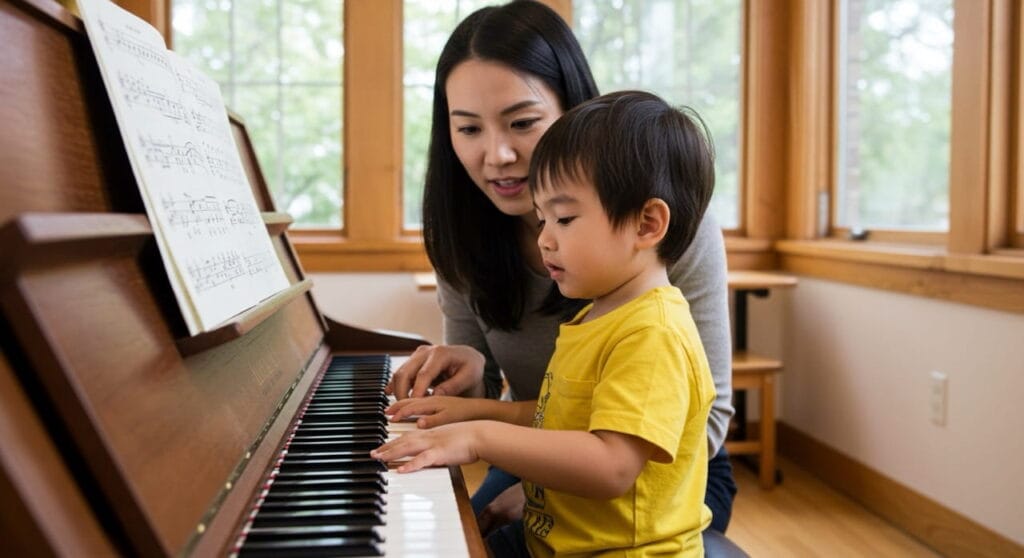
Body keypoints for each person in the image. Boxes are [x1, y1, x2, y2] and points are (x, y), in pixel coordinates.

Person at [386, 0, 737, 535]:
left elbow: (691, 427)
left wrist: (530, 487)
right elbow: (546, 411)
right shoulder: (460, 231)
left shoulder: (658, 230)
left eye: (522, 122)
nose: (497, 154)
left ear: (572, 113)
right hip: (548, 441)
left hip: (666, 475)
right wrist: (471, 378)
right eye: (469, 129)